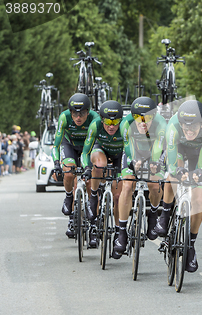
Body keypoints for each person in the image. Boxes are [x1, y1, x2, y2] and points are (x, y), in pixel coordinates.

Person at [154, 100, 202, 273]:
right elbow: (172, 158)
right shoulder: (173, 126)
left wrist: (198, 173)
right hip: (179, 150)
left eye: (193, 128)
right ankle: (165, 216)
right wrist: (177, 171)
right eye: (185, 127)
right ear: (180, 123)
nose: (189, 131)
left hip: (198, 154)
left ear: (201, 124)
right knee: (172, 176)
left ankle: (191, 245)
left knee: (198, 200)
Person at [113, 97, 167, 259]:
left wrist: (156, 162)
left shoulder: (161, 124)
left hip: (153, 153)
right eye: (139, 118)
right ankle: (122, 232)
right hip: (133, 153)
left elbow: (159, 146)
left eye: (148, 118)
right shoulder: (126, 123)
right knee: (128, 186)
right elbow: (127, 147)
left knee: (155, 184)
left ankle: (153, 215)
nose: (143, 122)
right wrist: (132, 162)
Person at [52, 93, 99, 238]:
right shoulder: (64, 117)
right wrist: (56, 163)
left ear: (88, 112)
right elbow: (56, 145)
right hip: (70, 145)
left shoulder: (94, 118)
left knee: (91, 179)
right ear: (70, 112)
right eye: (75, 113)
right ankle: (68, 198)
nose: (78, 118)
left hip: (88, 146)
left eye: (82, 113)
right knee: (69, 173)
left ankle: (93, 222)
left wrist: (89, 167)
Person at [80, 100, 125, 248]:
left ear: (121, 120)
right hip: (102, 150)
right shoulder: (95, 125)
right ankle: (94, 197)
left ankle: (119, 233)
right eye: (107, 121)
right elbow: (85, 151)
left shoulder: (126, 127)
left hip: (120, 155)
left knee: (118, 197)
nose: (111, 126)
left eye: (115, 122)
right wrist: (87, 167)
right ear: (101, 120)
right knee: (98, 165)